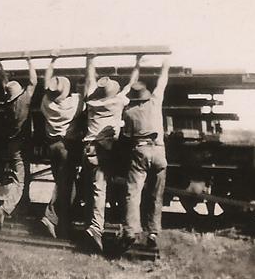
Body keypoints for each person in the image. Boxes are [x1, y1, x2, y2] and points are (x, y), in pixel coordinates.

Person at [81, 54, 141, 252]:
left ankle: (90, 223)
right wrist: (137, 63)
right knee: (101, 188)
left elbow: (90, 78)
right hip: (102, 151)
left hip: (87, 148)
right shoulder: (117, 102)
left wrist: (90, 60)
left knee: (92, 188)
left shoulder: (91, 103)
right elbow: (131, 84)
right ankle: (95, 228)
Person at [121, 56, 170, 250]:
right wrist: (166, 64)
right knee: (156, 195)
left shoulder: (129, 112)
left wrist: (136, 64)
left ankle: (132, 230)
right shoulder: (156, 101)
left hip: (140, 151)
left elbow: (126, 136)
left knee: (133, 193)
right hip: (159, 151)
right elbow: (162, 81)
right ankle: (153, 232)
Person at [39, 53, 85, 238]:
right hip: (67, 147)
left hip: (52, 146)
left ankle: (64, 221)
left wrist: (51, 61)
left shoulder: (46, 103)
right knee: (65, 183)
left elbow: (46, 83)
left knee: (65, 183)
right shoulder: (74, 104)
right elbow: (88, 89)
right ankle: (51, 217)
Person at [0, 57, 37, 231]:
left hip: (12, 144)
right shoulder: (25, 99)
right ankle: (4, 208)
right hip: (22, 145)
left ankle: (20, 205)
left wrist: (0, 66)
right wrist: (29, 60)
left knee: (19, 177)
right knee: (20, 181)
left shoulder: (8, 103)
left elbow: (5, 84)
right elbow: (34, 80)